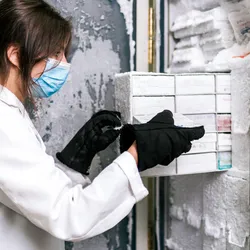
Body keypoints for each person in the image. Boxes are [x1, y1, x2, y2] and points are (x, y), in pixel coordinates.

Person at [0, 1, 205, 250]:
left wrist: (75, 162)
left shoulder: (11, 113)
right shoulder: (5, 124)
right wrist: (136, 155)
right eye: (55, 53)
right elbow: (69, 216)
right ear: (16, 55)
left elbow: (35, 200)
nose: (64, 63)